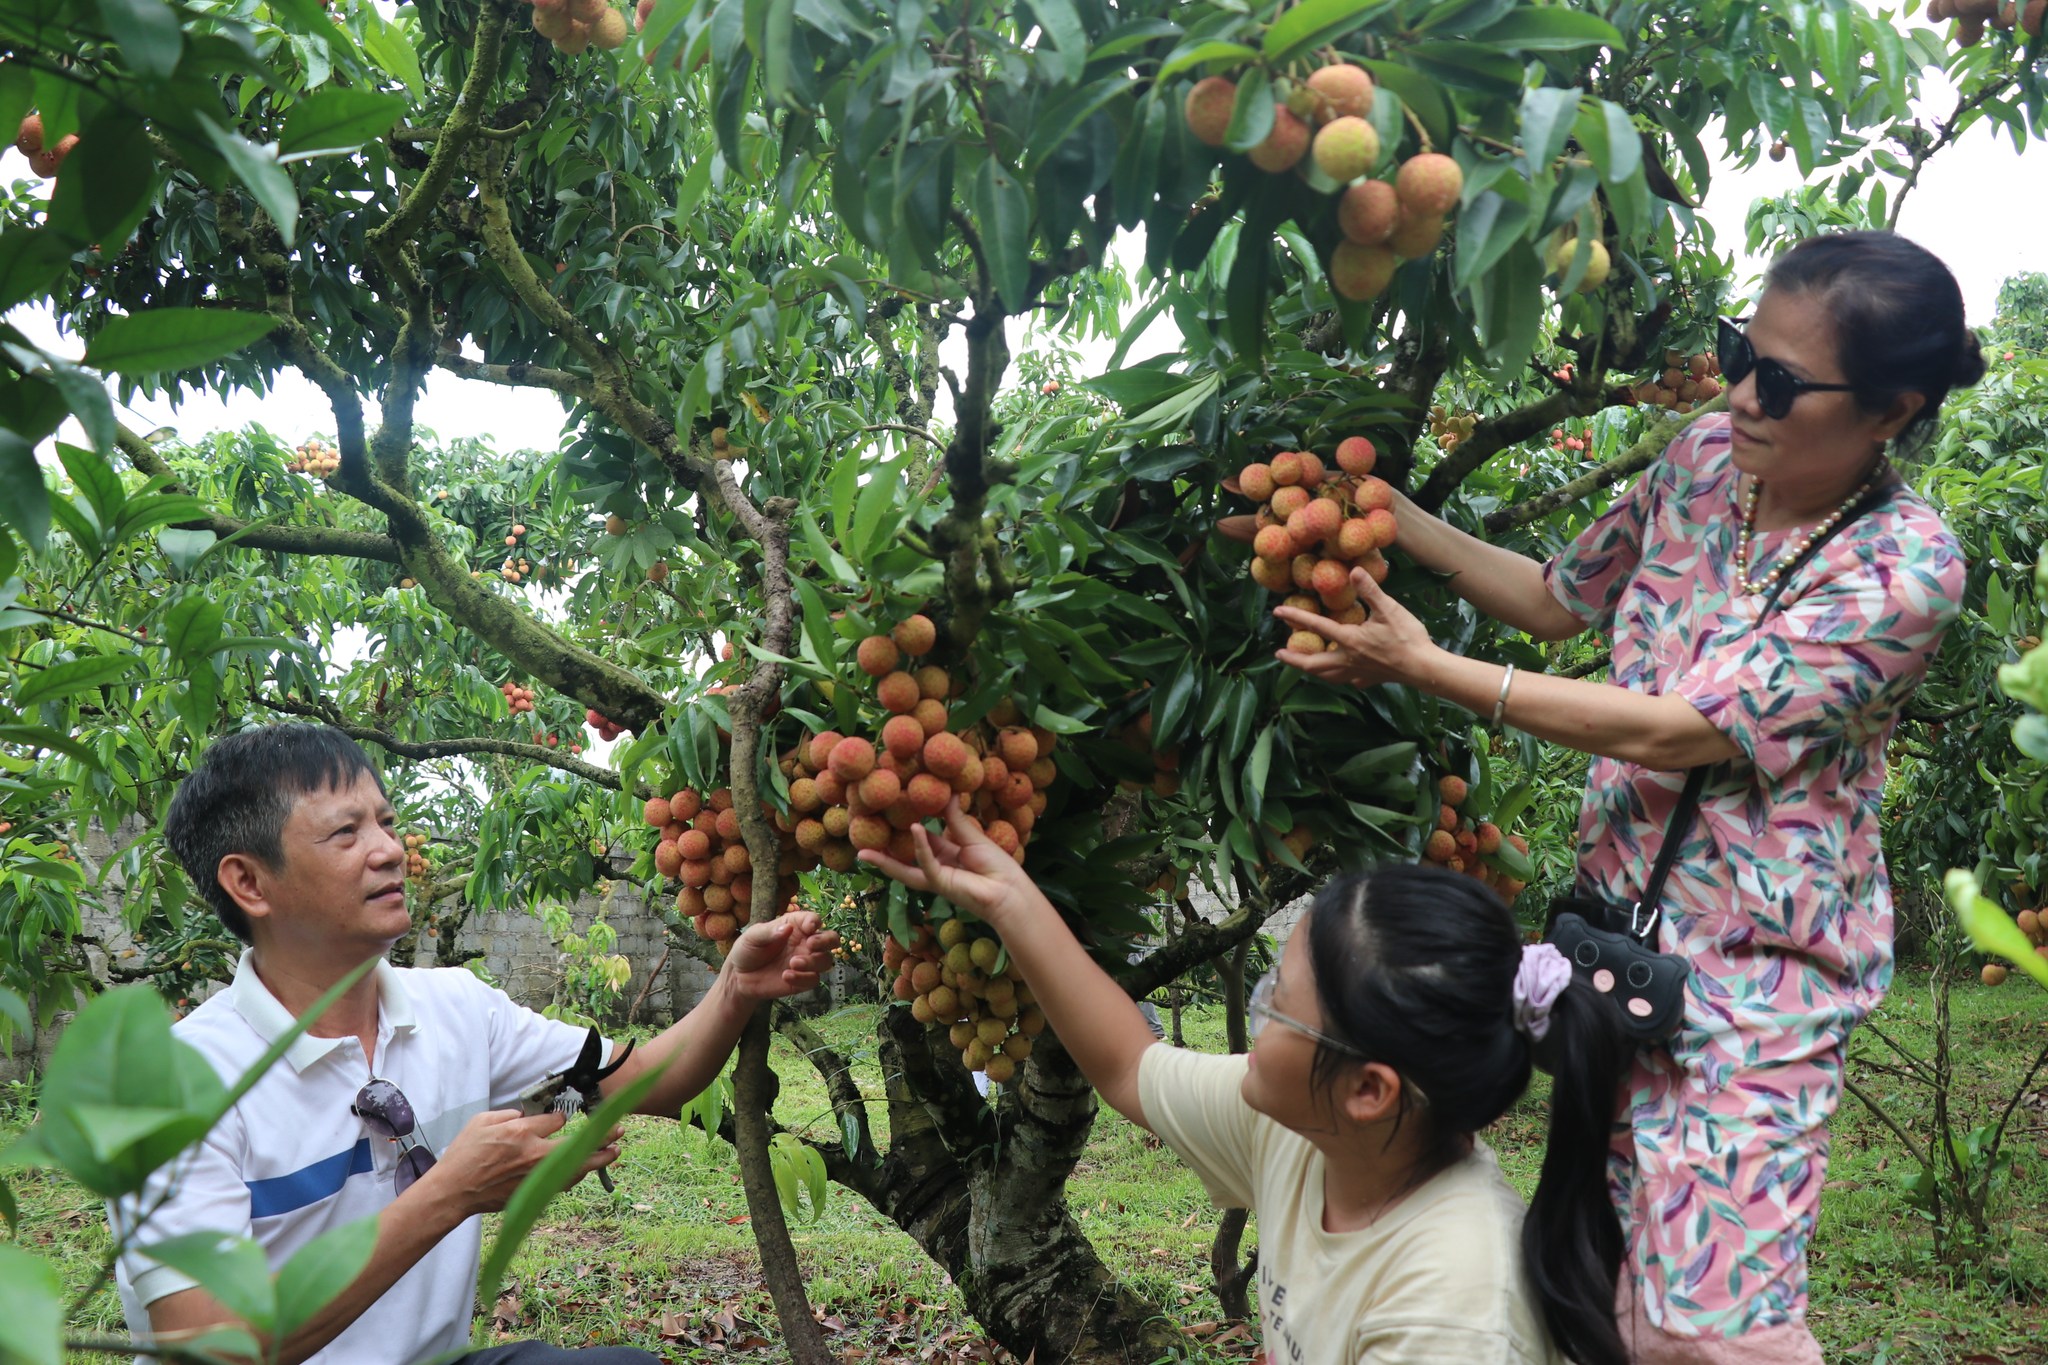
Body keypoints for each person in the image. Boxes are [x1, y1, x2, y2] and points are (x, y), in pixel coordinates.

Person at [1244, 230, 1976, 1363]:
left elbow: (1679, 730)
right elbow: (1554, 599)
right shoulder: (1702, 459)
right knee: (1600, 1290)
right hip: (1613, 963)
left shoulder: (1903, 570)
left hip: (1757, 983)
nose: (1742, 394)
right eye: (1739, 353)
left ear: (1890, 409)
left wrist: (1429, 669)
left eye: (1782, 382)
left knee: (1711, 1329)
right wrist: (1377, 508)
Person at [113, 724, 838, 1365]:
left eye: (387, 822)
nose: (389, 851)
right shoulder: (172, 1084)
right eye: (346, 834)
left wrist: (736, 986)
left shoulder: (455, 1008)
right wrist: (450, 1192)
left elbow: (644, 1077)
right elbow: (210, 1342)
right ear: (248, 881)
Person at [862, 804, 1639, 1365]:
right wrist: (1008, 898)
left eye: (1276, 1004)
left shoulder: (1455, 1311)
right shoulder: (1312, 1134)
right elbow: (1128, 1064)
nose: (1256, 1018)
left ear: (1370, 1091)